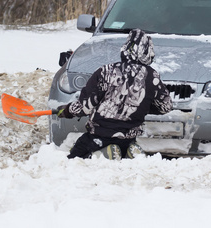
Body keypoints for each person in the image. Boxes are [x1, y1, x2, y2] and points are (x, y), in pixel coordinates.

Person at [57, 29, 173, 159]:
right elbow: (166, 107)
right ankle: (130, 151)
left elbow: (85, 106)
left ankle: (102, 154)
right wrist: (143, 106)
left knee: (76, 157)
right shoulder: (152, 76)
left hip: (99, 135)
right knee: (123, 151)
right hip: (128, 138)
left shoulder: (106, 71)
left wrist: (67, 110)